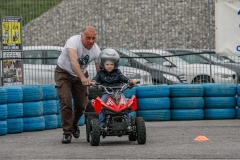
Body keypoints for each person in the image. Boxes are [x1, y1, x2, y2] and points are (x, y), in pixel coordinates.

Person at [54, 26, 101, 144]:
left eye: (93, 38)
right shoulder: (73, 42)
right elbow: (74, 62)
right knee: (66, 102)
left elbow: (100, 70)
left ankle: (74, 124)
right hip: (64, 73)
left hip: (81, 76)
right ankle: (67, 133)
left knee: (81, 105)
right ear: (82, 37)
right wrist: (83, 78)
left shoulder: (96, 50)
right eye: (88, 38)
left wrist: (104, 81)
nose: (91, 41)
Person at [91, 48, 138, 130]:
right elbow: (95, 79)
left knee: (126, 105)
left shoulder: (118, 72)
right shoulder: (100, 73)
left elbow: (124, 78)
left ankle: (129, 124)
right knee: (102, 106)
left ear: (115, 65)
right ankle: (102, 124)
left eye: (111, 64)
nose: (109, 66)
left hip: (119, 92)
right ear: (103, 64)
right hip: (106, 93)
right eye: (107, 64)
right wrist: (93, 82)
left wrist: (131, 81)